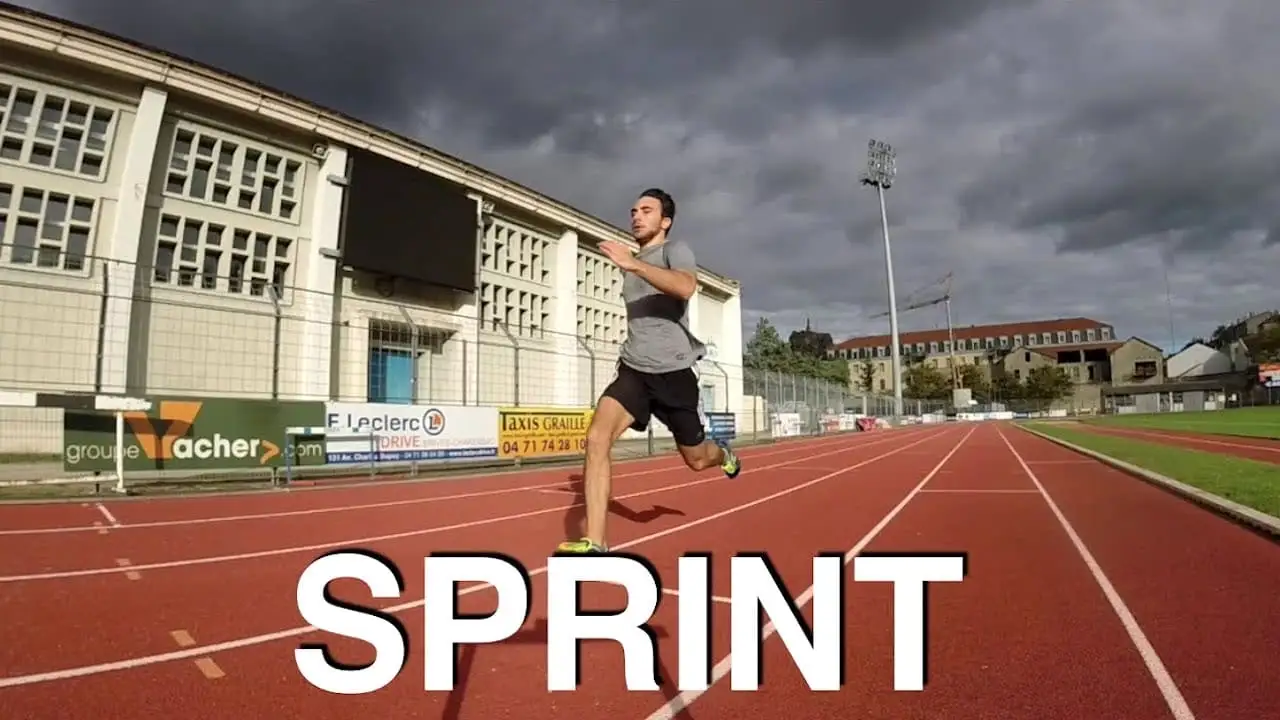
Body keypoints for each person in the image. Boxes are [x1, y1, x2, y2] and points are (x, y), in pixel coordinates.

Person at [556, 188, 741, 555]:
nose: (636, 216)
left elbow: (687, 287)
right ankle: (596, 542)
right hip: (634, 369)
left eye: (646, 210)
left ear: (665, 221)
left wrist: (635, 264)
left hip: (673, 373)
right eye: (633, 211)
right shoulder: (633, 260)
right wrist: (632, 263)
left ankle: (723, 454)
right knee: (596, 439)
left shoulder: (674, 251)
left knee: (696, 459)